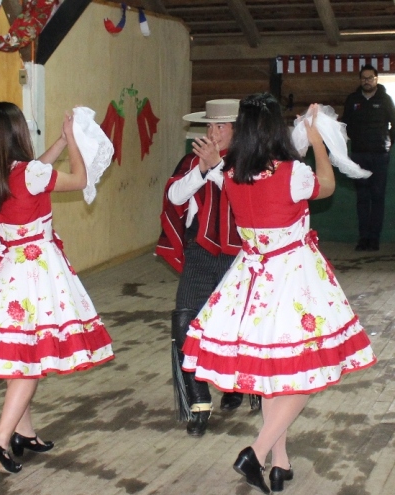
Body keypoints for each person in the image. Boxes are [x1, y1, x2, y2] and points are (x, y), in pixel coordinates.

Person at [182, 94, 377, 493]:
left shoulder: (232, 172)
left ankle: (280, 464)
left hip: (251, 280)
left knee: (275, 374)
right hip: (292, 277)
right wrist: (317, 141)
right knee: (304, 375)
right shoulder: (290, 172)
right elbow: (326, 185)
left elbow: (220, 174)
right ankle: (255, 451)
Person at [0, 102, 114, 474]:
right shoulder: (28, 172)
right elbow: (78, 180)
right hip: (33, 273)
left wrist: (61, 144)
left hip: (4, 271)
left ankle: (23, 432)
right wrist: (75, 148)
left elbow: (36, 172)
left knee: (19, 354)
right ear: (15, 133)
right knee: (30, 359)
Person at [156, 99, 254, 437]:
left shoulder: (250, 162)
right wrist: (202, 169)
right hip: (200, 248)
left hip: (238, 254)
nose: (213, 133)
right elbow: (176, 197)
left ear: (237, 131)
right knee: (184, 318)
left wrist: (216, 168)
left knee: (234, 325)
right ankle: (198, 400)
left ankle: (235, 385)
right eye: (209, 126)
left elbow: (245, 200)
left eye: (221, 127)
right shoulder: (192, 160)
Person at [341, 64, 395, 252]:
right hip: (359, 155)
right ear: (360, 80)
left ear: (376, 79)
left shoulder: (386, 99)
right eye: (364, 78)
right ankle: (363, 238)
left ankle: (375, 239)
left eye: (370, 77)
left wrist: (388, 145)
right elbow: (344, 124)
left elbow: (393, 123)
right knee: (363, 198)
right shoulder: (353, 100)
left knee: (377, 197)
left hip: (380, 155)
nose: (367, 81)